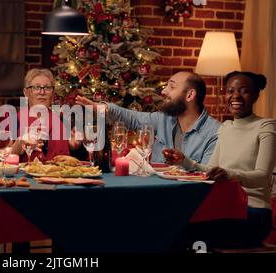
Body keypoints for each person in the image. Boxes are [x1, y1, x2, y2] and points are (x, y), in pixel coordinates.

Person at [164, 71, 276, 248]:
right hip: (225, 208)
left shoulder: (266, 126)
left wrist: (229, 174)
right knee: (172, 225)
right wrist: (184, 161)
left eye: (244, 90)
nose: (235, 96)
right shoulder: (226, 127)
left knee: (184, 233)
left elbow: (263, 176)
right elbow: (211, 168)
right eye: (230, 91)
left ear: (255, 95)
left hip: (254, 212)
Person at [76, 71, 220, 164]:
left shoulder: (215, 132)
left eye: (172, 87)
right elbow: (133, 118)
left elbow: (207, 176)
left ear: (190, 95)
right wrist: (105, 108)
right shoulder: (163, 119)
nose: (164, 91)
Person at [10, 68, 71, 162]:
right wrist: (19, 144)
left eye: (47, 88)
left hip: (57, 175)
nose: (42, 92)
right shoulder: (15, 120)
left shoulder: (62, 120)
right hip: (24, 176)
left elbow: (70, 159)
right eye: (36, 87)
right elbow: (3, 160)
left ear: (52, 92)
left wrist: (76, 148)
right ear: (26, 92)